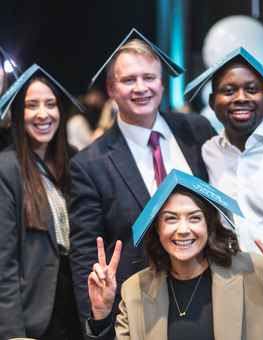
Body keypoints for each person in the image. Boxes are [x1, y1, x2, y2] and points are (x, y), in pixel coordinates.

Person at [69, 29, 216, 325]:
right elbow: (86, 252)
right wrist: (96, 321)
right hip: (135, 309)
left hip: (206, 296)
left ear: (161, 84)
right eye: (128, 80)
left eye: (149, 78)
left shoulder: (196, 131)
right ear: (111, 89)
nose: (141, 88)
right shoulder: (90, 164)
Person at [87, 169, 263, 340]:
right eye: (171, 218)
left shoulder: (255, 272)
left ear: (209, 225)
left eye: (195, 218)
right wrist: (101, 315)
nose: (183, 230)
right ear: (157, 228)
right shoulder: (135, 290)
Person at [0, 64, 83, 340]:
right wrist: (12, 332)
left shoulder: (74, 162)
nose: (43, 114)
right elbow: (4, 262)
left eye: (51, 104)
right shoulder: (7, 168)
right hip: (32, 313)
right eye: (31, 105)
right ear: (16, 113)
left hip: (76, 307)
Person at [185, 47, 263, 254]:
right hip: (226, 275)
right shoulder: (207, 152)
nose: (240, 98)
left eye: (251, 89)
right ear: (213, 102)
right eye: (229, 91)